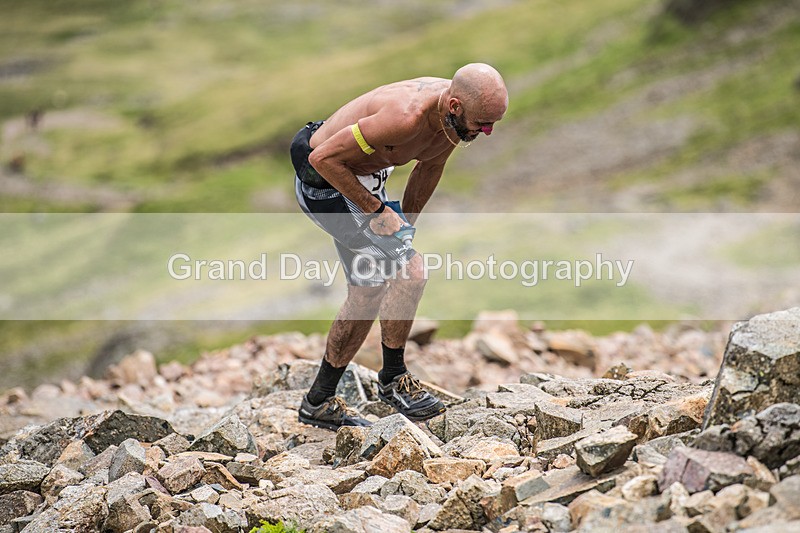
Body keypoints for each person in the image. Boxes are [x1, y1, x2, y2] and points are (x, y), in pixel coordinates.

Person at [290, 63, 508, 430]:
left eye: (493, 123)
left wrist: (404, 226)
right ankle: (393, 380)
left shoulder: (453, 119)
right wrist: (378, 212)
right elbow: (322, 159)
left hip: (363, 175)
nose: (486, 132)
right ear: (454, 105)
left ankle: (319, 402)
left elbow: (429, 168)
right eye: (482, 123)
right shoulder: (404, 117)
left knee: (368, 290)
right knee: (412, 272)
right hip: (326, 182)